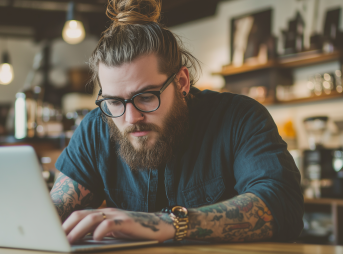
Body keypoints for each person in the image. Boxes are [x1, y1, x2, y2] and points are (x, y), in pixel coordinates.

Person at [50, 0, 303, 244]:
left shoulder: (239, 117)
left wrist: (171, 224)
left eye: (146, 97)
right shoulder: (96, 128)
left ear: (181, 82)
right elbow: (52, 212)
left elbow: (282, 205)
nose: (131, 118)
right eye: (115, 102)